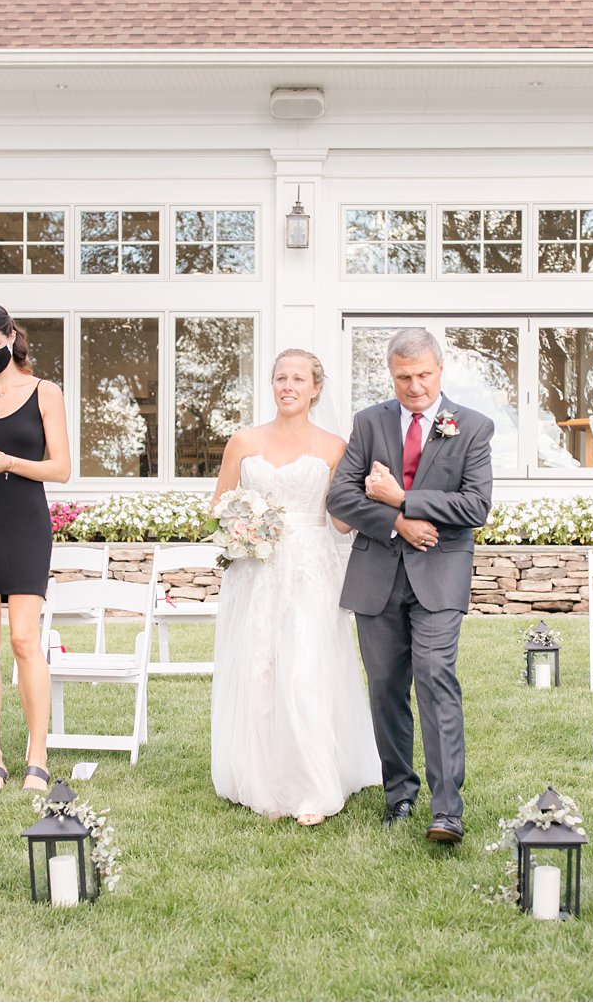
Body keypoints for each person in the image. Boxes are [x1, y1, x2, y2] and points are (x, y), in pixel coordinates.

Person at [327, 327, 494, 844]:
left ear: (440, 370)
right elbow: (341, 498)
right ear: (391, 375)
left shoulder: (473, 427)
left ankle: (447, 809)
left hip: (440, 576)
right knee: (385, 689)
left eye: (423, 375)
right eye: (403, 377)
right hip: (377, 574)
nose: (414, 386)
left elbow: (475, 506)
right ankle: (399, 792)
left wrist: (403, 498)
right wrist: (397, 522)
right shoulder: (369, 422)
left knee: (435, 675)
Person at [209, 349, 381, 826]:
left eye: (298, 379)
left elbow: (342, 524)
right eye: (280, 377)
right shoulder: (242, 441)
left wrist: (369, 493)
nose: (288, 385)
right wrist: (243, 528)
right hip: (256, 570)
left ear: (315, 389)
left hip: (310, 566)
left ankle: (311, 786)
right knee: (260, 668)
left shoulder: (333, 446)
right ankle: (264, 783)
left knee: (306, 668)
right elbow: (218, 505)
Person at [0, 303, 71, 792]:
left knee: (24, 640)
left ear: (12, 336)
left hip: (24, 523)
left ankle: (38, 752)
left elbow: (61, 468)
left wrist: (10, 461)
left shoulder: (44, 392)